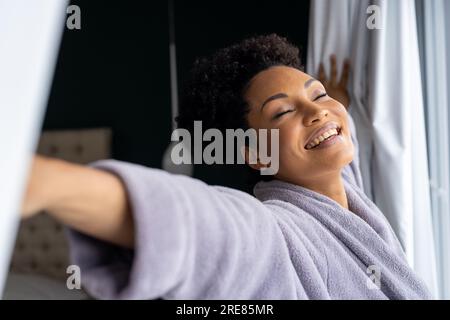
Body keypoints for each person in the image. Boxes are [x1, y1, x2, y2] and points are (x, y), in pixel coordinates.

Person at [21, 34, 431, 299]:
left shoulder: (339, 186)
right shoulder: (275, 234)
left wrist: (331, 98)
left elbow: (339, 136)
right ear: (255, 153)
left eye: (318, 94)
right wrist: (42, 181)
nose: (318, 112)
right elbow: (204, 226)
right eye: (283, 112)